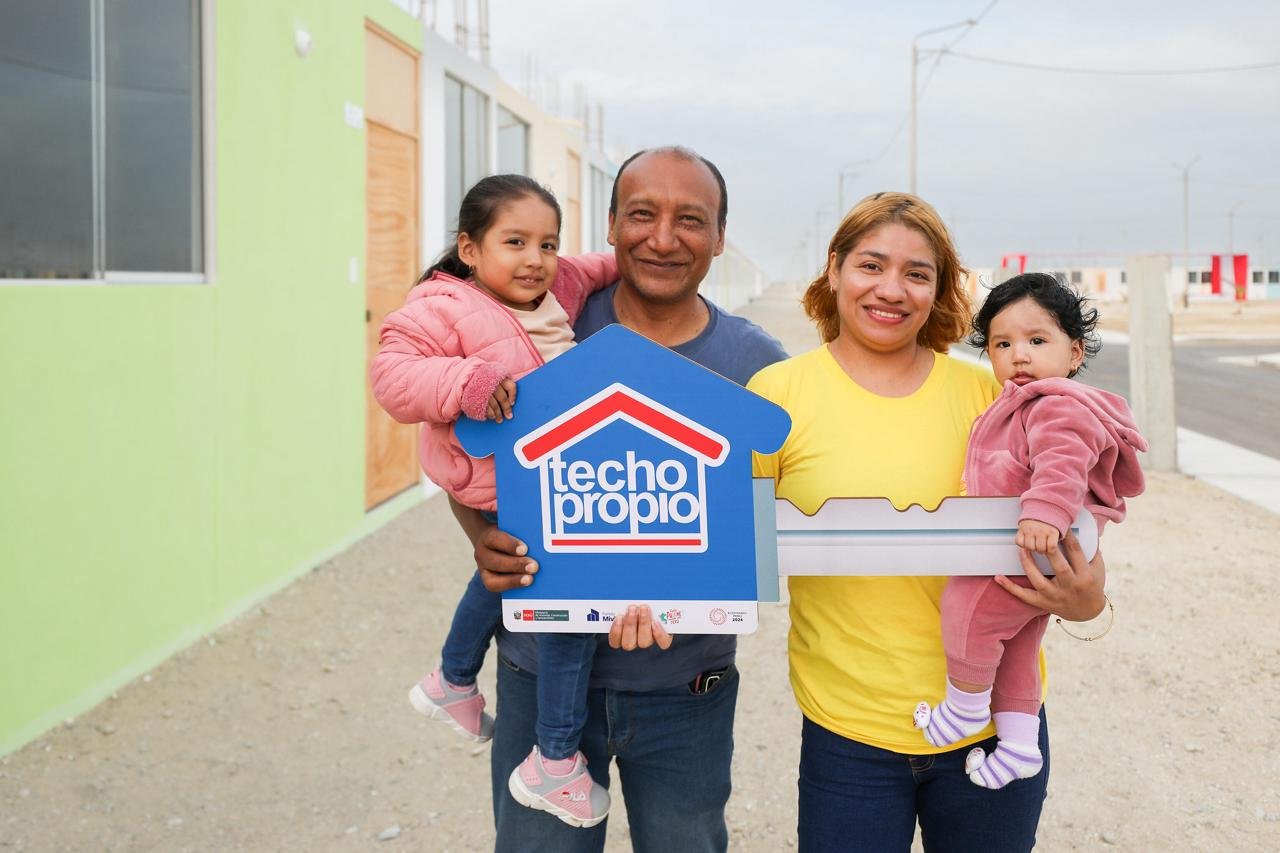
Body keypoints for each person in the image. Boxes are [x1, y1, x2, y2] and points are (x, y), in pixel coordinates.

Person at [450, 146, 788, 852]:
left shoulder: (757, 364)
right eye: (641, 214)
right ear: (610, 226)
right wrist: (482, 537)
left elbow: (780, 506)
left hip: (686, 690)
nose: (663, 238)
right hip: (537, 673)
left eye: (690, 219)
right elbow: (467, 458)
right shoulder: (543, 329)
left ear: (719, 237)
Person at [747, 193, 1108, 852]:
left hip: (993, 728)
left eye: (917, 273)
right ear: (834, 269)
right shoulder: (775, 395)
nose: (892, 289)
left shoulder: (994, 395)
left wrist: (1087, 603)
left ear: (939, 289)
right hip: (847, 734)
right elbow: (726, 546)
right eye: (871, 265)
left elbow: (1071, 539)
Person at [369, 174, 617, 827]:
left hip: (544, 482)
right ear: (470, 248)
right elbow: (392, 377)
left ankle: (451, 680)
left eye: (548, 243)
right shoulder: (444, 304)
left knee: (501, 573)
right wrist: (468, 381)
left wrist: (639, 253)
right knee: (568, 609)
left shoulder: (557, 287)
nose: (536, 258)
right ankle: (554, 760)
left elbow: (600, 265)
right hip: (499, 477)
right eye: (515, 242)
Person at [913, 273, 1146, 789]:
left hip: (1028, 545)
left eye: (1037, 340)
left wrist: (1044, 512)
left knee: (966, 609)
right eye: (1002, 344)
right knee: (1018, 648)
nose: (1019, 355)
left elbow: (1063, 459)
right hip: (1032, 549)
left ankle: (965, 708)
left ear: (1075, 352)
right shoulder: (1024, 401)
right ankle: (1020, 745)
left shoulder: (1055, 402)